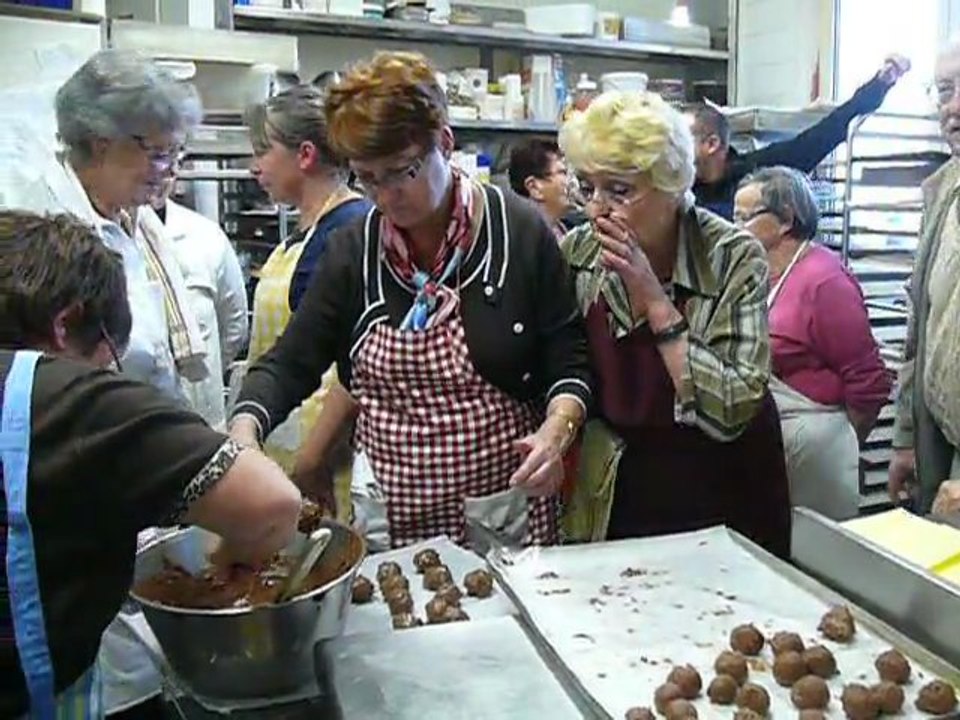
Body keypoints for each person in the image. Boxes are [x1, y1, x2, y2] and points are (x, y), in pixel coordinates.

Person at [231, 51, 591, 549]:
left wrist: (555, 432)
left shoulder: (518, 230)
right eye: (367, 177)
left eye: (401, 172)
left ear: (444, 142)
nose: (385, 196)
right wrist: (244, 434)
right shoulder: (355, 250)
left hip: (500, 507)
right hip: (390, 513)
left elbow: (569, 357)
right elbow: (290, 363)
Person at [0, 211, 302, 719]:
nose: (105, 374)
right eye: (107, 359)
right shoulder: (63, 398)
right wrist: (233, 553)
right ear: (65, 325)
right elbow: (272, 506)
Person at [3, 49, 219, 718]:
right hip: (77, 484)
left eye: (175, 153)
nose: (168, 170)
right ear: (100, 142)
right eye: (157, 153)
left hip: (149, 475)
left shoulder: (144, 224)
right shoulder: (42, 230)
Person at [559, 90, 791, 558]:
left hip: (726, 485)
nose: (596, 209)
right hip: (625, 486)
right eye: (587, 188)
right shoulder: (579, 252)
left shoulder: (731, 256)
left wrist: (654, 298)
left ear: (672, 186)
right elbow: (567, 367)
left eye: (619, 190)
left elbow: (733, 406)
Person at [734, 166, 891, 520]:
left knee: (812, 544)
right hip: (771, 441)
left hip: (818, 448)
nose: (736, 227)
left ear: (787, 219)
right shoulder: (757, 274)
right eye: (734, 217)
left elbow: (869, 382)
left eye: (746, 217)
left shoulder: (825, 282)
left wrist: (841, 442)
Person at [243, 85, 372, 480]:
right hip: (285, 442)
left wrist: (312, 461)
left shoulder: (348, 232)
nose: (254, 166)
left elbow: (358, 370)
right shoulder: (306, 230)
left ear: (305, 155)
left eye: (263, 150)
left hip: (327, 459)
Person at [691, 55, 911, 220]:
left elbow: (823, 135)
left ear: (712, 144)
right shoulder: (679, 189)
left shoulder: (758, 174)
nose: (675, 145)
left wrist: (879, 85)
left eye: (683, 138)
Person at [889, 41, 960, 515]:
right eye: (944, 90)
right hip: (941, 444)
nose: (953, 107)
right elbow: (920, 326)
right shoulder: (942, 190)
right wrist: (906, 436)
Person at [151, 176, 249, 429]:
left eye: (168, 162)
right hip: (139, 417)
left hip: (203, 416)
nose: (160, 174)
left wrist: (205, 369)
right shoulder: (102, 235)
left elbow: (234, 325)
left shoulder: (205, 236)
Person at [507, 139, 572, 240]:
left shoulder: (563, 230)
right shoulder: (523, 240)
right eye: (562, 172)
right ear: (534, 187)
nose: (571, 181)